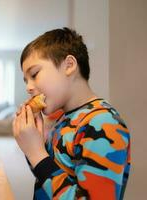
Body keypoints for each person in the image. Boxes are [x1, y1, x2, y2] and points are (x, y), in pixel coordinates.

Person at [13, 27, 130, 200]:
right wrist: (33, 145)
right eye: (26, 80)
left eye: (34, 74)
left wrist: (37, 154)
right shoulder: (63, 119)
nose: (28, 87)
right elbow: (44, 176)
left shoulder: (103, 122)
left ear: (69, 66)